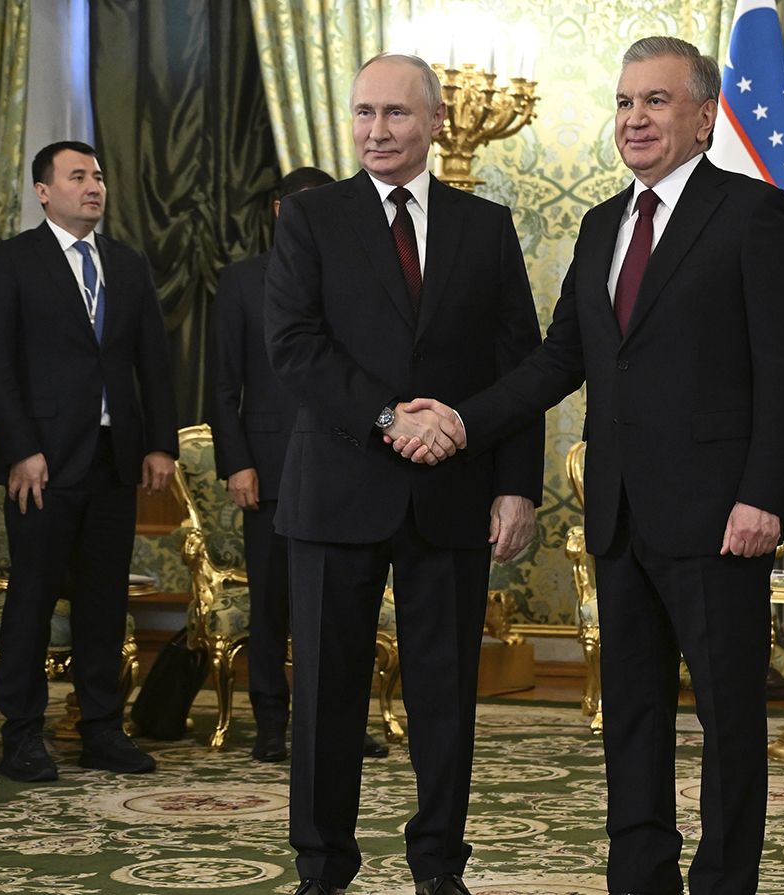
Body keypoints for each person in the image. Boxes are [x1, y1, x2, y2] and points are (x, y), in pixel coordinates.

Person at [392, 35, 784, 895]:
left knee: (731, 720)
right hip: (618, 515)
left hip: (720, 518)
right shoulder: (599, 224)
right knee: (632, 718)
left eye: (655, 101)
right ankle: (641, 879)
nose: (635, 119)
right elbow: (558, 361)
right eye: (624, 103)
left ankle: (726, 882)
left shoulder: (752, 213)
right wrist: (464, 419)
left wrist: (763, 496)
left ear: (702, 116)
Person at [264, 54, 544, 895]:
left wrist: (517, 483)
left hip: (452, 494)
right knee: (324, 695)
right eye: (362, 114)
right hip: (336, 490)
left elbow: (518, 365)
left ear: (434, 123)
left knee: (445, 698)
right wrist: (394, 419)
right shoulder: (309, 219)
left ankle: (437, 867)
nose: (376, 131)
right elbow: (294, 346)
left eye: (393, 114)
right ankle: (322, 866)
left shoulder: (485, 225)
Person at [0, 140, 178, 782]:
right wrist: (21, 449)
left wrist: (160, 442)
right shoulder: (10, 261)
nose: (94, 186)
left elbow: (153, 360)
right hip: (42, 463)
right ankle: (22, 735)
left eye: (98, 175)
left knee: (103, 600)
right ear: (43, 191)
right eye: (77, 176)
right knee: (32, 597)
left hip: (114, 459)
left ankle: (100, 728)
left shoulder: (128, 263)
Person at [208, 165, 387, 763]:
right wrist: (237, 463)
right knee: (273, 606)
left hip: (346, 464)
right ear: (282, 211)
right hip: (270, 471)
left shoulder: (357, 273)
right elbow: (221, 384)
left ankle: (338, 722)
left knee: (339, 608)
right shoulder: (240, 281)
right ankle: (271, 724)